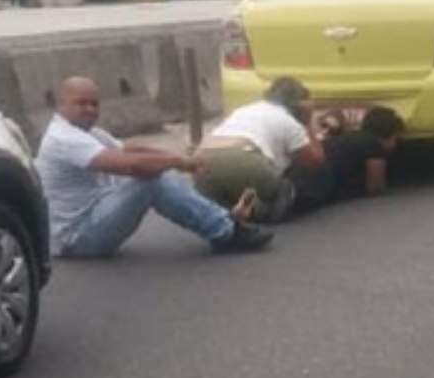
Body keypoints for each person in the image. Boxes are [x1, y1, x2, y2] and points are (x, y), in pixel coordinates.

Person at [35, 77, 273, 258]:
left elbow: (128, 149)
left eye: (94, 104)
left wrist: (175, 156)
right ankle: (225, 232)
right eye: (81, 103)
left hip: (92, 219)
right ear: (61, 104)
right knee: (150, 179)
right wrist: (179, 163)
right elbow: (130, 166)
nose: (89, 109)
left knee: (157, 168)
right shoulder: (63, 138)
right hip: (76, 237)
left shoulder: (88, 133)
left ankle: (223, 223)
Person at [195, 77, 325, 222]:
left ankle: (227, 210)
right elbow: (316, 160)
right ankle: (253, 211)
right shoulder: (289, 122)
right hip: (242, 157)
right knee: (284, 191)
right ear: (299, 104)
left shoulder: (244, 109)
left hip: (201, 160)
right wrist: (308, 122)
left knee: (221, 197)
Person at [288, 106, 405, 214]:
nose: (394, 145)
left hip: (295, 176)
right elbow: (375, 187)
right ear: (388, 135)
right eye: (395, 139)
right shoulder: (373, 145)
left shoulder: (348, 137)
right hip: (314, 189)